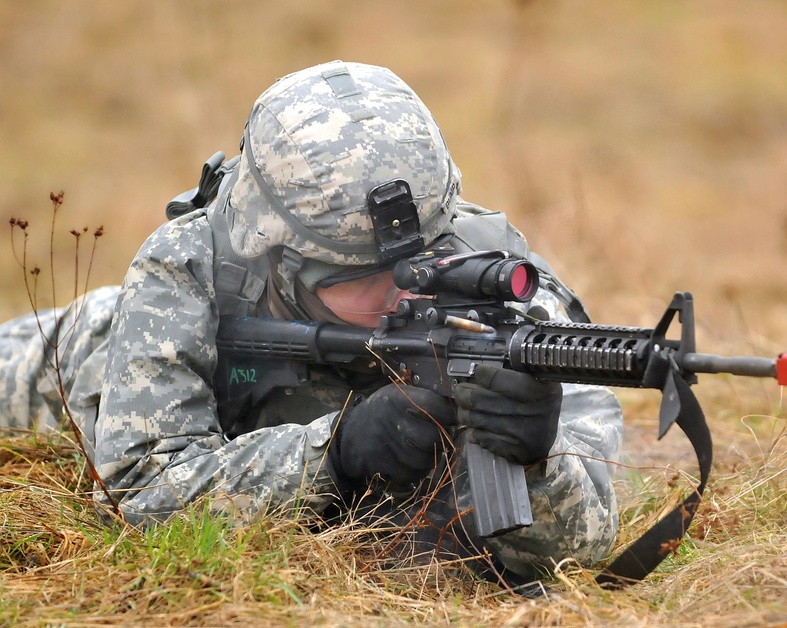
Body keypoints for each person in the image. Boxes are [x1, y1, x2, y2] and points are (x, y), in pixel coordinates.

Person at [0, 61, 623, 588]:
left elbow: (581, 546)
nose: (397, 295)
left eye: (418, 267)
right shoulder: (187, 272)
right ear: (279, 262)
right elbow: (142, 499)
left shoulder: (502, 290)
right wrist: (336, 453)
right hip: (84, 356)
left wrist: (537, 460)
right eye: (357, 279)